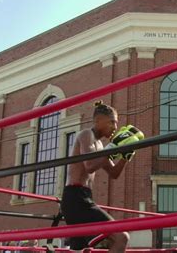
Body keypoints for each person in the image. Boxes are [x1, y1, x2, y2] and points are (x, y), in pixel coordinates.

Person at [60, 100, 144, 252]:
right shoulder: (86, 135)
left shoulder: (100, 146)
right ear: (98, 120)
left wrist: (126, 155)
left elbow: (114, 173)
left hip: (82, 197)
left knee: (81, 249)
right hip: (76, 197)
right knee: (121, 237)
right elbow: (90, 166)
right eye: (112, 122)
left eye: (116, 123)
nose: (115, 127)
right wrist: (113, 147)